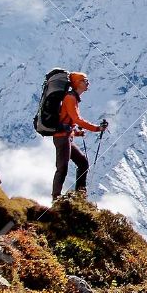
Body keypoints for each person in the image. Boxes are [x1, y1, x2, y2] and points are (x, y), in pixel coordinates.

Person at [52, 72, 108, 201]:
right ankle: (56, 198)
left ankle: (79, 196)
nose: (87, 83)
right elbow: (77, 119)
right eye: (84, 80)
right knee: (62, 168)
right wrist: (96, 128)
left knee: (82, 163)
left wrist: (76, 133)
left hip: (65, 137)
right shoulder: (70, 98)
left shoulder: (73, 98)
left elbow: (67, 121)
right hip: (62, 138)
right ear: (77, 83)